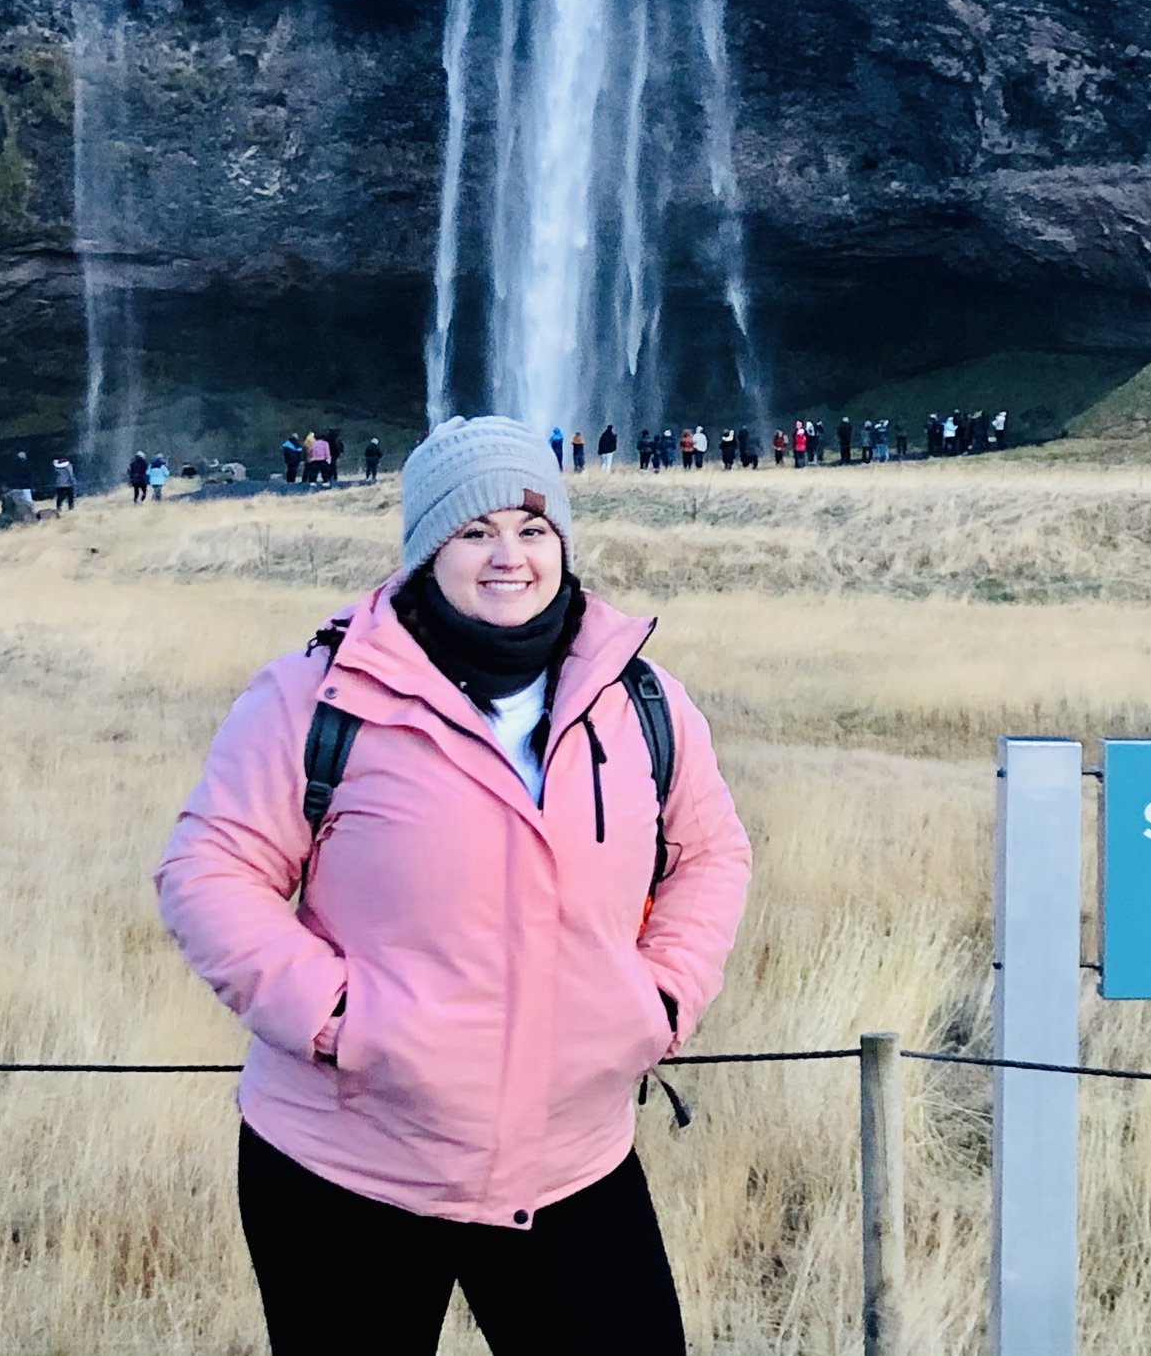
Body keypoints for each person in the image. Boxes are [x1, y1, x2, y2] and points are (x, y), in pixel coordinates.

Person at [156, 415, 750, 1356]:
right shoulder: (314, 699)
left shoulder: (642, 701)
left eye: (532, 527)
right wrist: (340, 1018)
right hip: (350, 1166)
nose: (508, 555)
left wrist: (661, 995)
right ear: (427, 549)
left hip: (573, 1161)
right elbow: (207, 869)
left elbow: (712, 852)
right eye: (474, 530)